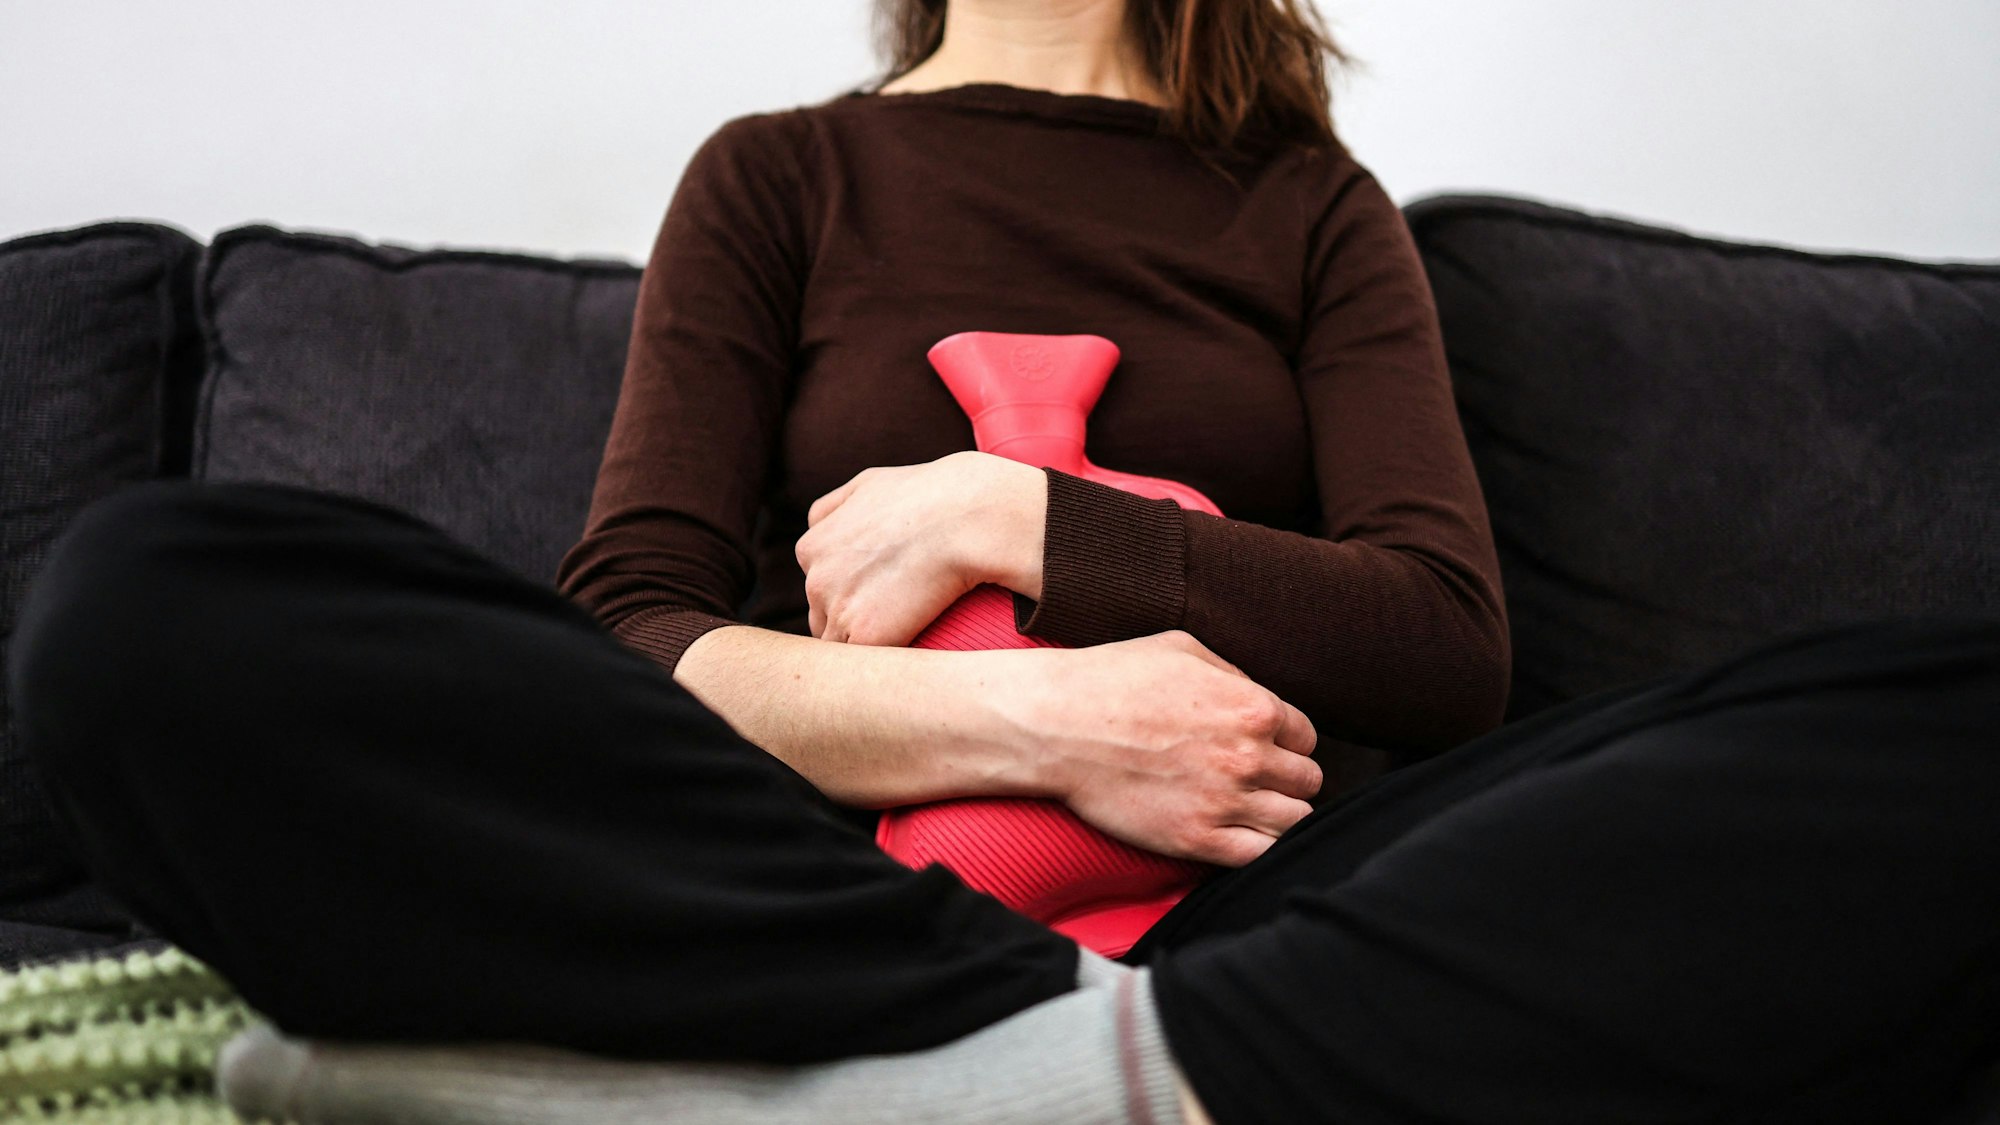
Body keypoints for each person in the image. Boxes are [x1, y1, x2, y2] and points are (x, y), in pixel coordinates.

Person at [8, 1, 1998, 1123]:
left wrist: (1007, 517)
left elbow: (1441, 639)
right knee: (148, 599)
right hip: (819, 901)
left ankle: (1019, 1074)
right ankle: (1066, 1067)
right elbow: (631, 631)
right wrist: (1046, 722)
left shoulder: (1311, 207)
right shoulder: (781, 175)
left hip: (1267, 911)